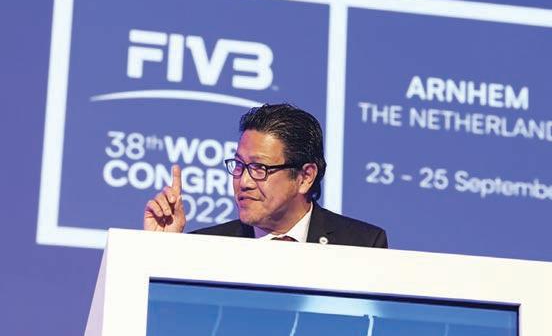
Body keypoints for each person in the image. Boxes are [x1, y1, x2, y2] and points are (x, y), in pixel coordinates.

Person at [143, 103, 388, 248]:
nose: (244, 182)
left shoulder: (362, 244)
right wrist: (162, 251)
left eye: (260, 168)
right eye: (239, 165)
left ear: (305, 177)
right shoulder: (205, 246)